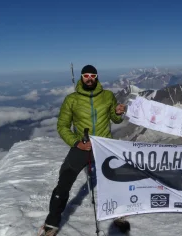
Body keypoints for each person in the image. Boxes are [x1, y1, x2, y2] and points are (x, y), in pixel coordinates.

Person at [39, 65, 126, 236]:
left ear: (97, 77)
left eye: (92, 75)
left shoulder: (108, 96)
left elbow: (115, 120)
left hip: (104, 145)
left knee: (114, 180)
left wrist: (117, 112)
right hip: (83, 145)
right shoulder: (72, 99)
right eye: (86, 75)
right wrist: (77, 143)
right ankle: (52, 222)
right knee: (64, 181)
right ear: (81, 77)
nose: (89, 78)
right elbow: (62, 126)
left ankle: (118, 214)